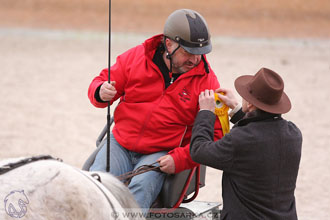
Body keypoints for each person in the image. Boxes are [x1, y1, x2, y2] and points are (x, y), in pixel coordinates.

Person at [87, 9, 225, 211]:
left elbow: (216, 136)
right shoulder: (135, 58)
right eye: (188, 52)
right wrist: (100, 91)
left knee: (140, 189)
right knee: (97, 185)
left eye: (200, 53)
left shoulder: (208, 82)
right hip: (121, 142)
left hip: (161, 151)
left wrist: (178, 159)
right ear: (169, 44)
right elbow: (99, 82)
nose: (195, 60)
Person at [190, 67, 302, 220]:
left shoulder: (241, 140)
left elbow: (198, 151)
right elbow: (261, 133)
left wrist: (206, 113)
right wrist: (237, 109)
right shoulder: (294, 134)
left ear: (250, 104)